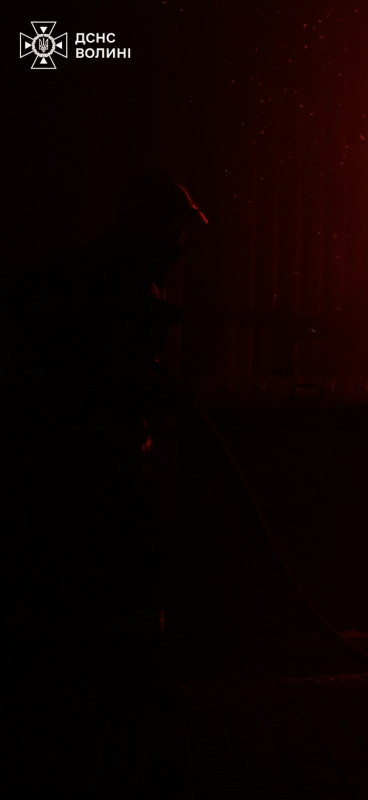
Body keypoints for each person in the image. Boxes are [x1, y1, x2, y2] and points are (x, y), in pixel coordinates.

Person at [1, 172, 207, 703]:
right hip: (84, 444)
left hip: (93, 440)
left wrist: (158, 385)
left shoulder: (128, 271)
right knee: (127, 555)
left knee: (93, 556)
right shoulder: (115, 276)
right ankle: (122, 683)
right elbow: (97, 362)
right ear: (156, 224)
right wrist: (152, 389)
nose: (184, 239)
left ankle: (88, 678)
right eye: (179, 227)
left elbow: (125, 357)